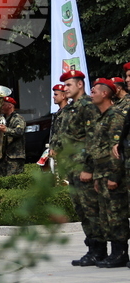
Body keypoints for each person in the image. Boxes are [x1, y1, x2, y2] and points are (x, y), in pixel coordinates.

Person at [57, 70, 104, 266]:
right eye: (64, 85)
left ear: (80, 85)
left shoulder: (88, 106)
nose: (65, 88)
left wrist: (88, 167)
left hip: (83, 166)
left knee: (91, 209)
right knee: (82, 210)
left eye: (68, 84)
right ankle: (92, 248)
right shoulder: (70, 109)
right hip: (72, 167)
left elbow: (93, 138)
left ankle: (99, 250)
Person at [83, 79, 129, 267]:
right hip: (101, 173)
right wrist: (96, 175)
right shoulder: (101, 117)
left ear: (105, 94)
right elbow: (97, 150)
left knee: (116, 214)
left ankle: (120, 253)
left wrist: (114, 176)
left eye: (94, 91)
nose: (91, 94)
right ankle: (113, 252)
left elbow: (116, 150)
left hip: (112, 173)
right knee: (106, 215)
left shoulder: (115, 116)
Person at [0, 97, 27, 176]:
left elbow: (19, 132)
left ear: (10, 106)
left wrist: (6, 130)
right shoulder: (2, 119)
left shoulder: (18, 118)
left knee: (12, 179)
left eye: (3, 105)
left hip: (14, 157)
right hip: (4, 156)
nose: (1, 107)